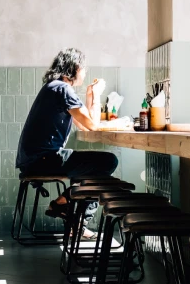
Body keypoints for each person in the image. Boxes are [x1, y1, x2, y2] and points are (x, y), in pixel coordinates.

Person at [15, 48, 118, 237]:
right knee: (109, 162)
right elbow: (93, 125)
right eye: (84, 68)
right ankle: (69, 208)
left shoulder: (53, 87)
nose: (85, 73)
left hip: (35, 160)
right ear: (76, 68)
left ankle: (71, 215)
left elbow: (83, 125)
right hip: (43, 160)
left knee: (87, 169)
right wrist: (96, 94)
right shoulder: (62, 89)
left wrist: (88, 97)